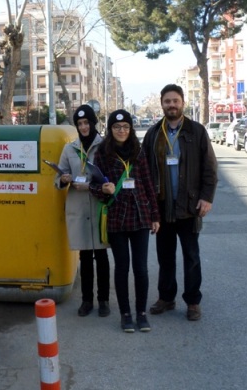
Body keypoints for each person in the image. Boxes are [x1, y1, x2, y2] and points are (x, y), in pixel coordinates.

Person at [141, 84, 217, 322]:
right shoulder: (153, 134)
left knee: (191, 256)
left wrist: (207, 197)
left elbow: (210, 168)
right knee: (165, 256)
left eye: (175, 101)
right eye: (167, 101)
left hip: (190, 206)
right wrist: (148, 206)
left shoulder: (196, 131)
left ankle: (193, 301)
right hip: (162, 207)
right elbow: (143, 171)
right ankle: (166, 297)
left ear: (182, 103)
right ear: (162, 104)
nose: (171, 105)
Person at [91, 109, 160, 333]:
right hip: (116, 218)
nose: (122, 131)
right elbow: (94, 185)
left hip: (140, 216)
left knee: (141, 268)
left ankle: (141, 313)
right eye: (117, 127)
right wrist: (103, 189)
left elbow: (148, 183)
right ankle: (125, 314)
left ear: (130, 129)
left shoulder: (139, 151)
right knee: (122, 268)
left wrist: (155, 216)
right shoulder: (102, 152)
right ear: (110, 130)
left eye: (126, 127)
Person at [55, 104, 110, 318]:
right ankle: (87, 300)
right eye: (80, 124)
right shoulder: (70, 148)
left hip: (98, 206)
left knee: (102, 256)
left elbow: (111, 173)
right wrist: (63, 179)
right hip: (78, 207)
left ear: (93, 123)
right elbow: (59, 176)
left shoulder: (105, 146)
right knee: (85, 258)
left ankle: (103, 300)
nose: (84, 127)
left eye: (87, 122)